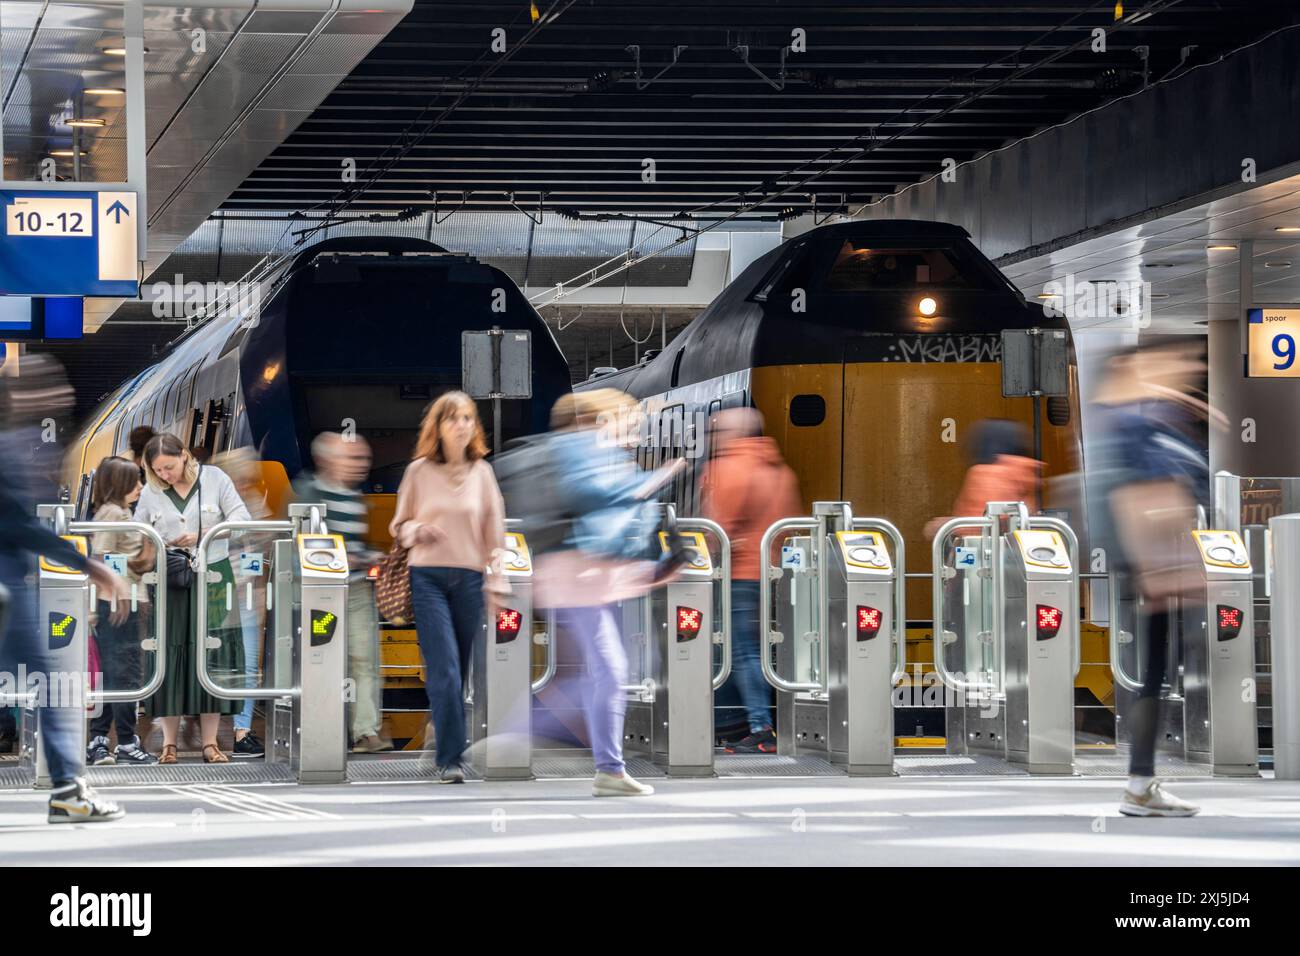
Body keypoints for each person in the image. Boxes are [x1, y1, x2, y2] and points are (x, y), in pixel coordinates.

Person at [535, 389, 685, 797]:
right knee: (609, 669)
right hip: (577, 578)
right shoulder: (578, 448)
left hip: (601, 580)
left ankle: (602, 764)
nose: (634, 432)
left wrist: (657, 562)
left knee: (604, 671)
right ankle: (595, 762)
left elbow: (628, 522)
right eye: (629, 422)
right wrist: (652, 481)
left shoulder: (610, 456)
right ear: (605, 420)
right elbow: (588, 496)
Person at [1089, 342, 1216, 817]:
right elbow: (1142, 498)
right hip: (1161, 567)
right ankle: (1140, 785)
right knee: (1157, 674)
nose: (1190, 369)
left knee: (1158, 674)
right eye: (1181, 360)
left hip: (1162, 565)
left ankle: (1141, 783)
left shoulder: (1138, 417)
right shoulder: (1132, 422)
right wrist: (1164, 569)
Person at [0, 361, 129, 821]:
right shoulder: (14, 448)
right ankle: (68, 793)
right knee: (53, 686)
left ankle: (68, 791)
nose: (61, 398)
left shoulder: (20, 445)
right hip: (6, 592)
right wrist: (89, 564)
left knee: (50, 685)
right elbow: (15, 523)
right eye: (53, 390)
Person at [390, 392, 509, 782]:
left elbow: (496, 532)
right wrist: (416, 529)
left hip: (470, 579)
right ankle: (451, 758)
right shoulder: (419, 471)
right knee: (444, 669)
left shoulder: (483, 473)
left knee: (460, 672)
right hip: (428, 579)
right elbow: (399, 525)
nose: (462, 425)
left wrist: (498, 578)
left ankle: (440, 739)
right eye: (453, 418)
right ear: (438, 427)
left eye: (468, 418)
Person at [135, 434, 250, 764]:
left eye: (168, 467)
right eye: (157, 471)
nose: (165, 475)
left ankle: (210, 742)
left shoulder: (215, 479)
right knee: (171, 656)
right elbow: (136, 531)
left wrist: (203, 536)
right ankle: (169, 743)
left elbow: (242, 519)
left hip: (213, 577)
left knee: (212, 653)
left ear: (184, 456)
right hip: (171, 580)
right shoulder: (151, 491)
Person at [701, 407, 801, 753]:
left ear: (737, 433)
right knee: (758, 651)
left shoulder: (730, 467)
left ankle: (758, 727)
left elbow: (718, 527)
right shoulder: (780, 469)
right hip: (772, 574)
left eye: (719, 432)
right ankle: (738, 724)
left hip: (739, 573)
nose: (714, 438)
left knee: (739, 652)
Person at [296, 432, 390, 754]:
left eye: (363, 459)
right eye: (353, 458)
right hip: (323, 596)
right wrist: (355, 557)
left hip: (358, 590)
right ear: (327, 460)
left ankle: (366, 731)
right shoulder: (306, 493)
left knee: (364, 659)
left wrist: (365, 557)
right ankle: (323, 727)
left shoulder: (355, 497)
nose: (362, 465)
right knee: (323, 658)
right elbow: (303, 545)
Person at [85, 457, 159, 766]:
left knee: (113, 674)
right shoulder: (113, 514)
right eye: (135, 481)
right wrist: (120, 592)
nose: (141, 486)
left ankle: (99, 740)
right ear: (120, 484)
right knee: (126, 675)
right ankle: (126, 742)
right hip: (117, 605)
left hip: (118, 601)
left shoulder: (118, 511)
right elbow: (101, 558)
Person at [211, 448, 272, 758]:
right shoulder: (213, 506)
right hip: (218, 595)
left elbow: (264, 549)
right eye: (240, 478)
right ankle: (206, 730)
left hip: (247, 596)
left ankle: (242, 731)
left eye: (248, 478)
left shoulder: (254, 503)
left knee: (247, 665)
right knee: (214, 662)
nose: (245, 484)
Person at [924, 419, 1040, 540]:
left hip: (989, 552)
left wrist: (946, 526)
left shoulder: (986, 474)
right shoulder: (1027, 472)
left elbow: (981, 521)